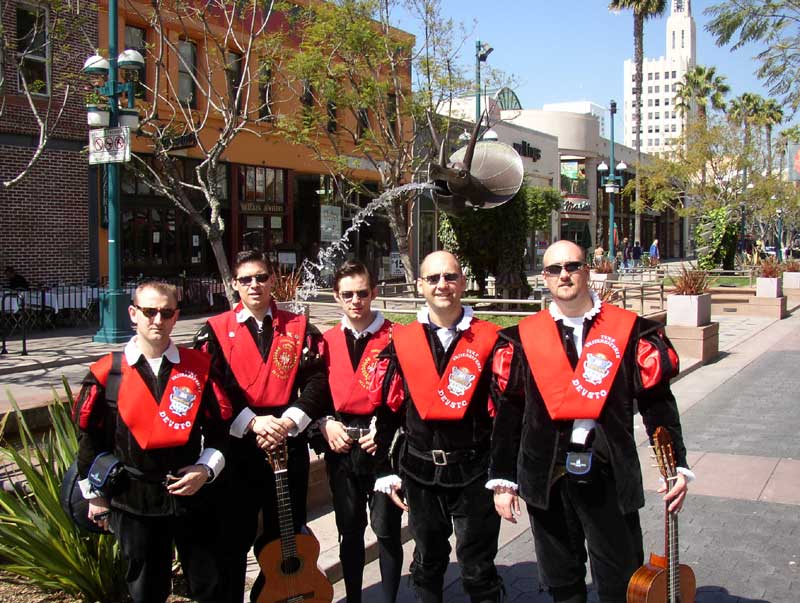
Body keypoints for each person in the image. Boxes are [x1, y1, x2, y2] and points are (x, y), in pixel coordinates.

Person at [490, 240, 692, 603]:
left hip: (608, 472)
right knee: (562, 582)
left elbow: (657, 403)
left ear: (587, 271)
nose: (564, 275)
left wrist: (674, 464)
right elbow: (509, 414)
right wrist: (503, 481)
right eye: (554, 269)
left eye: (572, 266)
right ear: (545, 278)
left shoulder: (630, 331)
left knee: (621, 581)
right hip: (546, 477)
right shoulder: (522, 339)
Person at [73, 280, 231, 603]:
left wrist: (205, 470)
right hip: (134, 500)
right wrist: (96, 496)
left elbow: (220, 430)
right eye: (149, 312)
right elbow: (89, 439)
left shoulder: (198, 368)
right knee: (146, 591)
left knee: (211, 586)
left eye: (166, 312)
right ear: (133, 314)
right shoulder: (108, 374)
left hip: (192, 497)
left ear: (176, 316)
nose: (158, 320)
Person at [194, 250, 330, 603]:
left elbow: (317, 381)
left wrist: (288, 420)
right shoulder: (214, 332)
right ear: (234, 284)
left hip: (287, 442)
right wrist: (253, 422)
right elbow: (212, 386)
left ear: (272, 280)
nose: (254, 285)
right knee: (233, 538)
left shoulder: (299, 328)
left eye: (261, 277)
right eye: (246, 279)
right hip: (238, 448)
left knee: (287, 536)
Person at [371, 250, 504, 603]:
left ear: (463, 282)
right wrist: (385, 470)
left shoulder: (492, 340)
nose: (442, 285)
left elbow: (506, 415)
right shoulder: (402, 342)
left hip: (474, 471)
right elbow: (387, 411)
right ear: (420, 286)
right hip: (420, 471)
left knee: (478, 567)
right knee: (427, 562)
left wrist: (504, 474)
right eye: (433, 278)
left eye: (450, 276)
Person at [319, 260, 403, 602]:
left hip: (383, 449)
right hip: (341, 449)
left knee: (387, 531)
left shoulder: (397, 337)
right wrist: (325, 423)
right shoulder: (325, 341)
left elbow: (410, 396)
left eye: (363, 293)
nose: (356, 301)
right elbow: (314, 393)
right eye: (348, 294)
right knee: (349, 532)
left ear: (374, 293)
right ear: (336, 297)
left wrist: (386, 429)